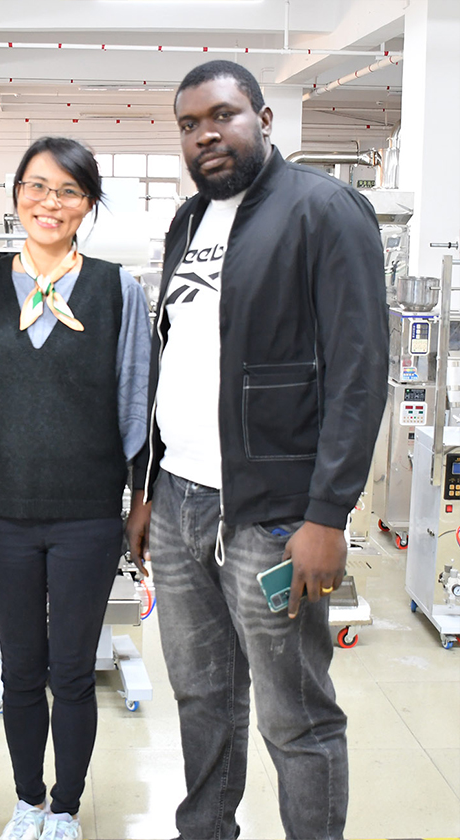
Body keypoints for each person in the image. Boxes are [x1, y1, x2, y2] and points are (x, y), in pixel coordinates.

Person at [126, 61, 388, 840]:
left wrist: (328, 515)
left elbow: (359, 371)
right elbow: (175, 361)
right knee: (201, 695)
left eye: (223, 115)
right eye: (189, 125)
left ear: (264, 120)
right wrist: (148, 490)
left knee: (293, 713)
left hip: (273, 516)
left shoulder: (324, 208)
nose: (206, 135)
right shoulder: (188, 222)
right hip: (180, 500)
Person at [0, 136, 150, 840]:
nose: (50, 202)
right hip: (2, 513)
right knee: (18, 669)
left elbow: (136, 400)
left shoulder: (118, 290)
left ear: (87, 205)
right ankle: (26, 800)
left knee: (71, 671)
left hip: (86, 515)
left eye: (68, 191)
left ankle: (65, 807)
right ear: (16, 196)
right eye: (37, 186)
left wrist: (137, 500)